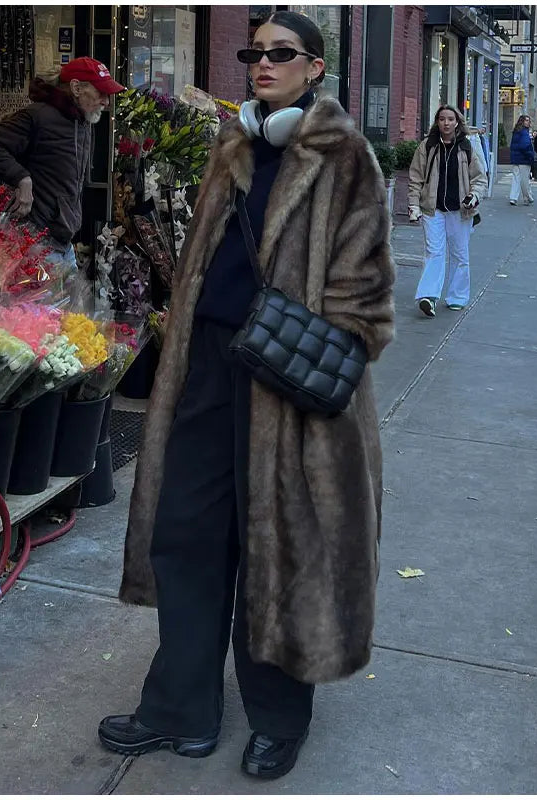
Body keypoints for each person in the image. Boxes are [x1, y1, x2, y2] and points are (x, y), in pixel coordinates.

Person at [99, 11, 395, 781]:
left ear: (317, 67)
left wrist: (307, 344)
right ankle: (180, 710)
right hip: (205, 370)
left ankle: (278, 718)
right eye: (252, 53)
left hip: (287, 389)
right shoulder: (230, 148)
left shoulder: (343, 157)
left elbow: (366, 298)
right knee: (187, 536)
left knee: (279, 549)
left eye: (280, 54)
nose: (262, 65)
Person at [0, 56, 124, 279]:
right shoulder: (38, 116)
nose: (106, 102)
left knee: (68, 310)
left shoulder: (82, 122)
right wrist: (22, 178)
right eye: (101, 93)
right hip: (34, 238)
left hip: (62, 240)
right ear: (76, 88)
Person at [407, 105, 488, 317]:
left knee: (460, 254)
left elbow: (480, 179)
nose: (446, 123)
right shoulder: (427, 146)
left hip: (460, 210)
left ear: (457, 122)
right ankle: (428, 296)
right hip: (432, 210)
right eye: (442, 119)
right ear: (437, 122)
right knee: (434, 252)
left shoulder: (466, 147)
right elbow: (415, 178)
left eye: (450, 119)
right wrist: (414, 205)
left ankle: (457, 297)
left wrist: (474, 196)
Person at [509, 114, 535, 206]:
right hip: (524, 159)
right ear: (523, 122)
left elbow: (513, 145)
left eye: (528, 120)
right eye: (526, 120)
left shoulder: (516, 131)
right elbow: (524, 146)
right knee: (525, 180)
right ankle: (528, 197)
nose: (528, 122)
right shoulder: (524, 132)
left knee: (516, 178)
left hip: (515, 158)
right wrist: (530, 156)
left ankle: (513, 197)